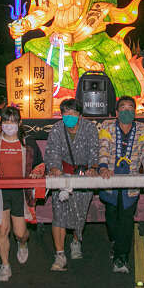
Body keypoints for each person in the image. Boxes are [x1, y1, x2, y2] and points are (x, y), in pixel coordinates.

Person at [97, 96, 144, 274]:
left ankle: (121, 257)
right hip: (109, 179)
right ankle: (116, 242)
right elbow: (103, 147)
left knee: (126, 219)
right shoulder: (107, 126)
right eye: (122, 108)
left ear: (135, 111)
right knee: (111, 218)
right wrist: (102, 167)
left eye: (130, 107)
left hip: (131, 181)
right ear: (116, 113)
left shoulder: (141, 128)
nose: (126, 111)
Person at [0, 107, 45, 282]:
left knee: (20, 232)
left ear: (20, 123)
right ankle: (5, 265)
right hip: (0, 192)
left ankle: (22, 243)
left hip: (20, 193)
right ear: (1, 123)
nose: (9, 125)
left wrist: (36, 173)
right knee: (2, 230)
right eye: (6, 121)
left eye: (13, 121)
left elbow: (40, 165)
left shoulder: (27, 143)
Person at [44, 98, 100, 271]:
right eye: (65, 113)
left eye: (73, 113)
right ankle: (59, 254)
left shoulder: (90, 128)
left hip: (83, 176)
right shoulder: (56, 129)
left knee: (79, 212)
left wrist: (93, 168)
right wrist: (54, 168)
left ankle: (76, 240)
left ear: (80, 115)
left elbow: (95, 151)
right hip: (62, 174)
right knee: (59, 213)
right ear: (61, 115)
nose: (69, 116)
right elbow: (52, 151)